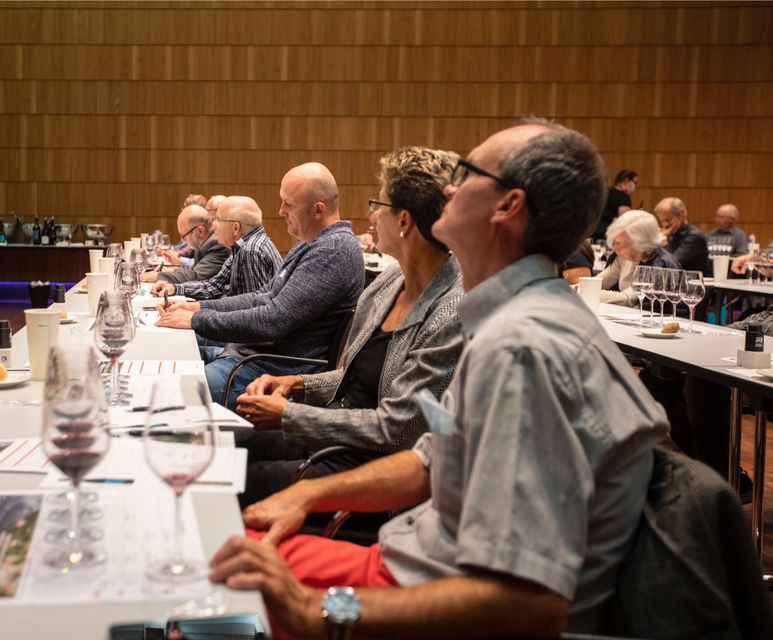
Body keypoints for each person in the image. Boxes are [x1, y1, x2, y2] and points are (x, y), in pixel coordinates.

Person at [207, 121, 669, 638]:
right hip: (411, 557)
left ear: (507, 206)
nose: (448, 189)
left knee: (211, 563)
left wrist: (314, 609)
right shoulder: (507, 318)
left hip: (425, 589)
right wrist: (309, 496)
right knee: (215, 538)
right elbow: (435, 458)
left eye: (468, 174)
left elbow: (529, 605)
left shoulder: (524, 348)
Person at [233, 147, 465, 506]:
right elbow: (354, 381)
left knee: (239, 480)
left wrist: (290, 415)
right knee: (231, 444)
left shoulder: (450, 313)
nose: (372, 215)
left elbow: (398, 429)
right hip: (338, 432)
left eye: (379, 204)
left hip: (375, 467)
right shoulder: (388, 282)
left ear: (404, 221)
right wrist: (295, 384)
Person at [156, 162, 364, 407]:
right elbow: (261, 296)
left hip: (270, 372)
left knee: (168, 390)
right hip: (253, 357)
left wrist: (197, 320)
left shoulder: (333, 251)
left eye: (288, 204)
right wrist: (199, 307)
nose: (280, 211)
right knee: (165, 356)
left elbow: (273, 320)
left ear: (318, 209)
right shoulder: (311, 244)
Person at [149, 196, 281, 301]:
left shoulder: (251, 251)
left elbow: (253, 310)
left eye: (217, 219)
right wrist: (175, 288)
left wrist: (199, 313)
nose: (213, 225)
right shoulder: (242, 246)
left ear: (235, 228)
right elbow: (215, 285)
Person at [598, 209, 680, 305]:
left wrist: (589, 293)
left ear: (639, 244)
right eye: (614, 242)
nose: (614, 248)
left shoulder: (660, 265)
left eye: (619, 243)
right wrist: (584, 289)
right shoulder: (623, 258)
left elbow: (628, 299)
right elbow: (599, 282)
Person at [141, 204, 230, 285]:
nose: (182, 240)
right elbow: (196, 270)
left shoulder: (217, 243)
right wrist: (171, 272)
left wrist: (158, 277)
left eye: (183, 235)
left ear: (200, 231)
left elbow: (196, 277)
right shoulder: (205, 241)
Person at [655, 196, 710, 275]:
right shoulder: (670, 233)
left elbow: (672, 265)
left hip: (693, 281)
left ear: (682, 214)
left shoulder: (694, 236)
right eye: (662, 221)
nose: (665, 225)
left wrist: (664, 244)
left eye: (668, 220)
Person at [591, 169, 636, 241]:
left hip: (592, 230)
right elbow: (625, 220)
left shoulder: (604, 192)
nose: (634, 186)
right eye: (634, 182)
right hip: (607, 233)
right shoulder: (624, 197)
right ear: (626, 180)